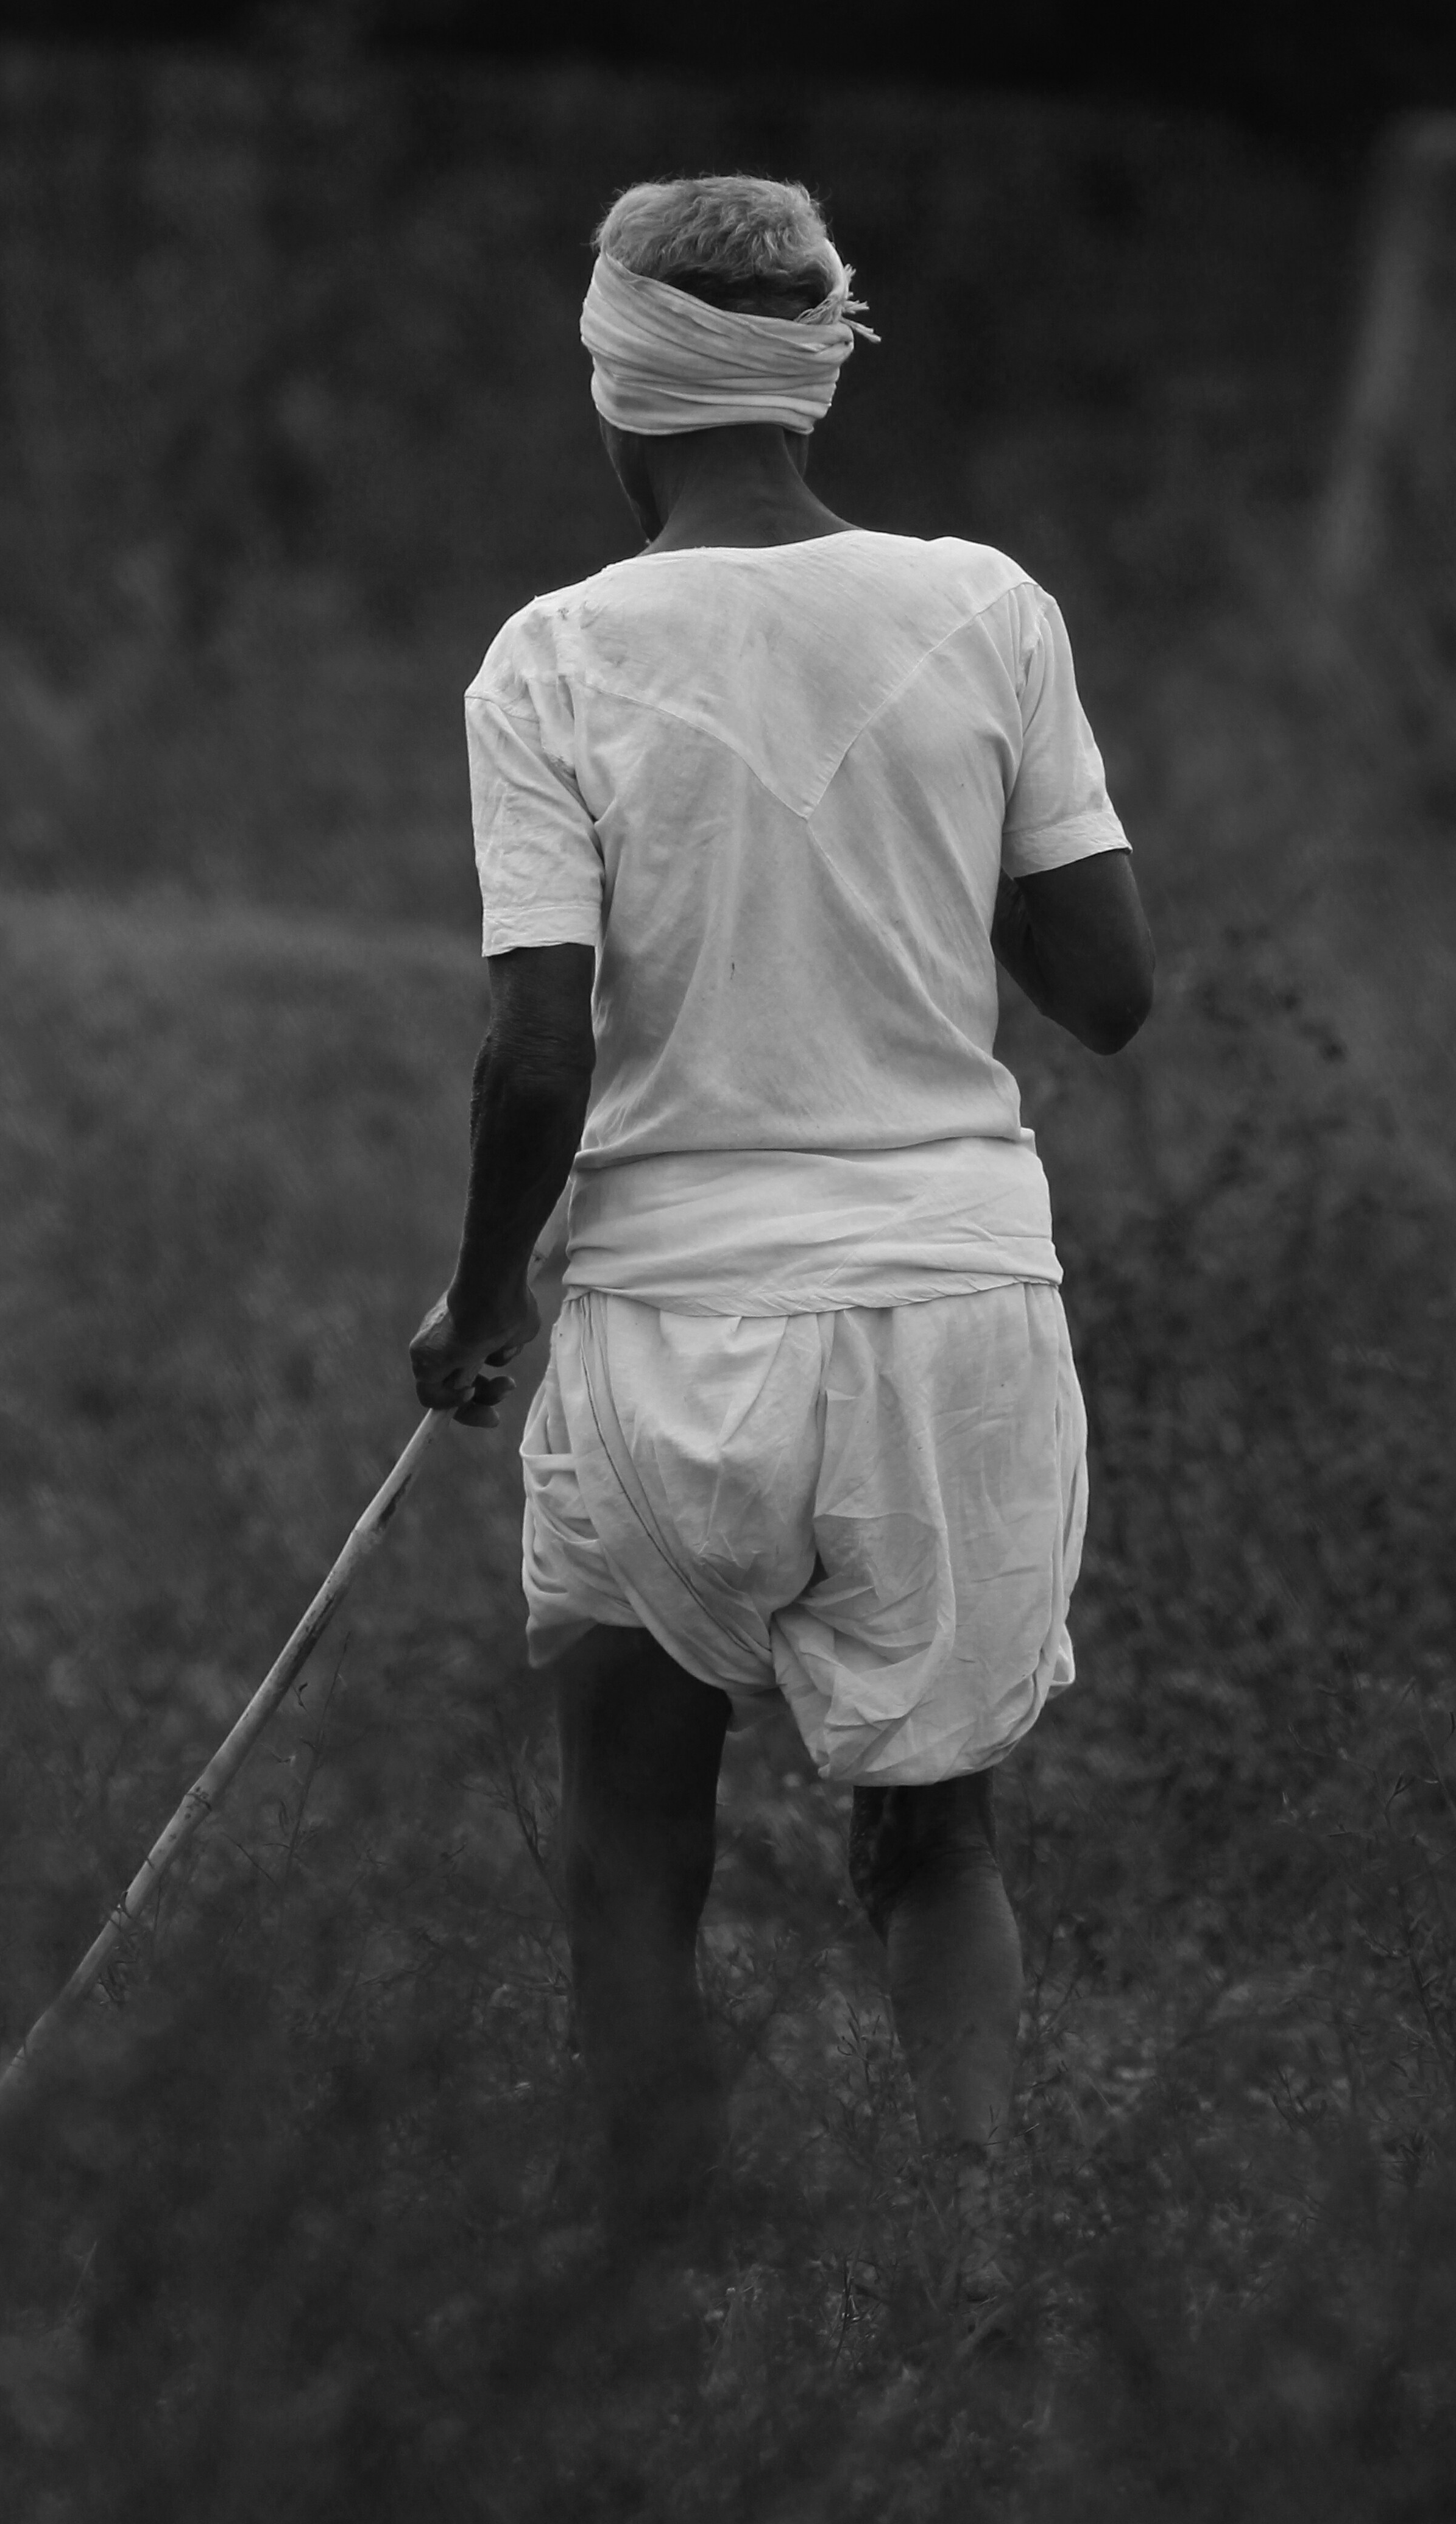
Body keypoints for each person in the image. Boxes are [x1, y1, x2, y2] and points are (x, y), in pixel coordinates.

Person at [409, 173, 1153, 2278]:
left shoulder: (555, 658)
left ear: (615, 390)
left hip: (678, 1329)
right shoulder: (988, 611)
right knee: (936, 1837)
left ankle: (659, 2281)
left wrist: (480, 1304)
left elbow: (535, 1059)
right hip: (952, 1310)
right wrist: (929, 843)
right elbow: (1109, 991)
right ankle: (977, 2266)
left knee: (636, 1847)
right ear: (819, 370)